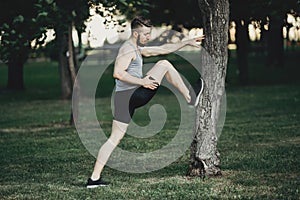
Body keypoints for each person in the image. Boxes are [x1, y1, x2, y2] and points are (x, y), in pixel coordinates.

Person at [86, 16, 204, 188]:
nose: (149, 37)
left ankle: (93, 179)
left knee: (113, 139)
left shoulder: (136, 48)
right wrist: (143, 82)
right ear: (135, 33)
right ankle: (190, 97)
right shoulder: (127, 50)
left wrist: (186, 42)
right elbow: (118, 73)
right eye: (146, 34)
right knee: (164, 64)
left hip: (123, 99)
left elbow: (162, 48)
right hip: (133, 94)